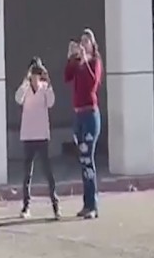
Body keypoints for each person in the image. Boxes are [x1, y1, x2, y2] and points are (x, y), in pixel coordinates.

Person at [64, 29, 104, 219]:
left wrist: (86, 59)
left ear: (92, 44)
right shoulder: (80, 63)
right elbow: (67, 76)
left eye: (87, 41)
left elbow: (93, 82)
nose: (83, 43)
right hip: (78, 115)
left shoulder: (94, 62)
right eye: (82, 40)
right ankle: (86, 204)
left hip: (90, 115)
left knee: (88, 160)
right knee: (83, 161)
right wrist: (72, 57)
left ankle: (93, 205)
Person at [15, 56, 60, 219]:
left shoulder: (45, 88)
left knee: (48, 172)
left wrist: (48, 82)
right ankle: (26, 206)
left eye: (38, 72)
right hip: (28, 135)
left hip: (41, 135)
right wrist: (25, 80)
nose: (36, 75)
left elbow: (51, 103)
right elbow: (18, 98)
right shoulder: (26, 88)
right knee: (27, 173)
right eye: (33, 72)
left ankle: (55, 205)